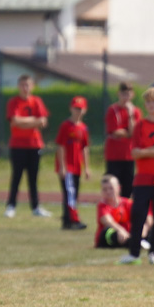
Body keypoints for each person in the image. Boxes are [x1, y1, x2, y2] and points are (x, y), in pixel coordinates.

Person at [120, 87, 154, 267]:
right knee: (138, 215)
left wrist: (146, 151)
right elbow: (134, 153)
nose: (152, 105)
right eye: (149, 102)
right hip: (143, 178)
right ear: (145, 105)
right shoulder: (140, 126)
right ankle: (134, 253)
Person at [4, 74, 53, 219]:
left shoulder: (37, 101)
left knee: (33, 178)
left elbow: (43, 122)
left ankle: (36, 207)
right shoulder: (13, 102)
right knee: (16, 176)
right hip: (17, 145)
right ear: (18, 86)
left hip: (34, 145)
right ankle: (11, 206)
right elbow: (14, 122)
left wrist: (25, 122)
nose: (25, 88)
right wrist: (33, 121)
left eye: (28, 85)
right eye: (22, 85)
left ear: (32, 86)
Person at [55, 96, 90, 230]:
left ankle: (67, 219)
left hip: (77, 166)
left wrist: (87, 167)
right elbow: (61, 146)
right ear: (71, 108)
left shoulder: (83, 128)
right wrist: (63, 166)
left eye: (80, 109)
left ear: (85, 110)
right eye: (76, 108)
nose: (78, 111)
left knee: (74, 193)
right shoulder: (66, 126)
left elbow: (85, 148)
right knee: (70, 193)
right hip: (68, 166)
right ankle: (72, 220)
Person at [104, 82, 140, 199]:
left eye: (128, 94)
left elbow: (135, 132)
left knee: (128, 186)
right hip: (114, 155)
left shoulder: (135, 112)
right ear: (119, 94)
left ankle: (125, 211)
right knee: (112, 185)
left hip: (129, 155)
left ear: (132, 95)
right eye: (123, 94)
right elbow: (115, 132)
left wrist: (130, 116)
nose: (126, 97)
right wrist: (128, 133)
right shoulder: (112, 110)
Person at [95, 174, 131, 248]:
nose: (108, 192)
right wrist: (121, 230)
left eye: (111, 188)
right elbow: (108, 222)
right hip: (109, 236)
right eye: (105, 189)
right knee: (111, 233)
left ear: (118, 188)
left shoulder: (127, 203)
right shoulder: (102, 205)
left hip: (127, 233)